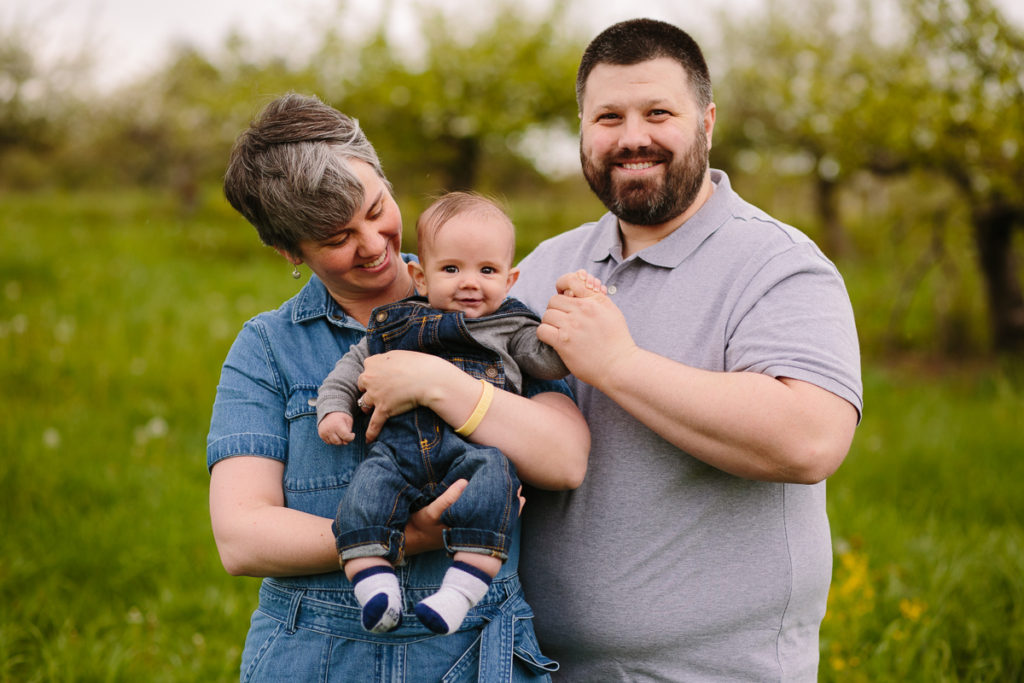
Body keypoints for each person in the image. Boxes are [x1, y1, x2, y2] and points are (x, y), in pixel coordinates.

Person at [508, 18, 863, 682]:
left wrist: (618, 364)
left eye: (658, 113)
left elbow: (811, 439)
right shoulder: (541, 266)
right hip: (534, 665)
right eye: (608, 117)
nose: (631, 137)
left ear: (707, 122)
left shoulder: (778, 264)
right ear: (582, 131)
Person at [207, 93, 589, 682]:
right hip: (315, 655)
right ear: (290, 250)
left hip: (475, 651)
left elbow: (564, 460)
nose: (372, 243)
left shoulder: (486, 306)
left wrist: (436, 382)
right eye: (336, 237)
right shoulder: (268, 347)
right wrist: (409, 536)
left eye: (376, 208)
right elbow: (242, 538)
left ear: (385, 180)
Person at [315, 191, 578, 636]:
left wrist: (570, 319)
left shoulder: (512, 326)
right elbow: (350, 368)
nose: (470, 283)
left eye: (487, 270)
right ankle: (376, 589)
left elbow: (549, 362)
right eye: (452, 269)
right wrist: (334, 410)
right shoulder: (396, 323)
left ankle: (459, 593)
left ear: (510, 280)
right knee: (364, 494)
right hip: (398, 452)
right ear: (420, 277)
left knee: (495, 486)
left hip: (474, 451)